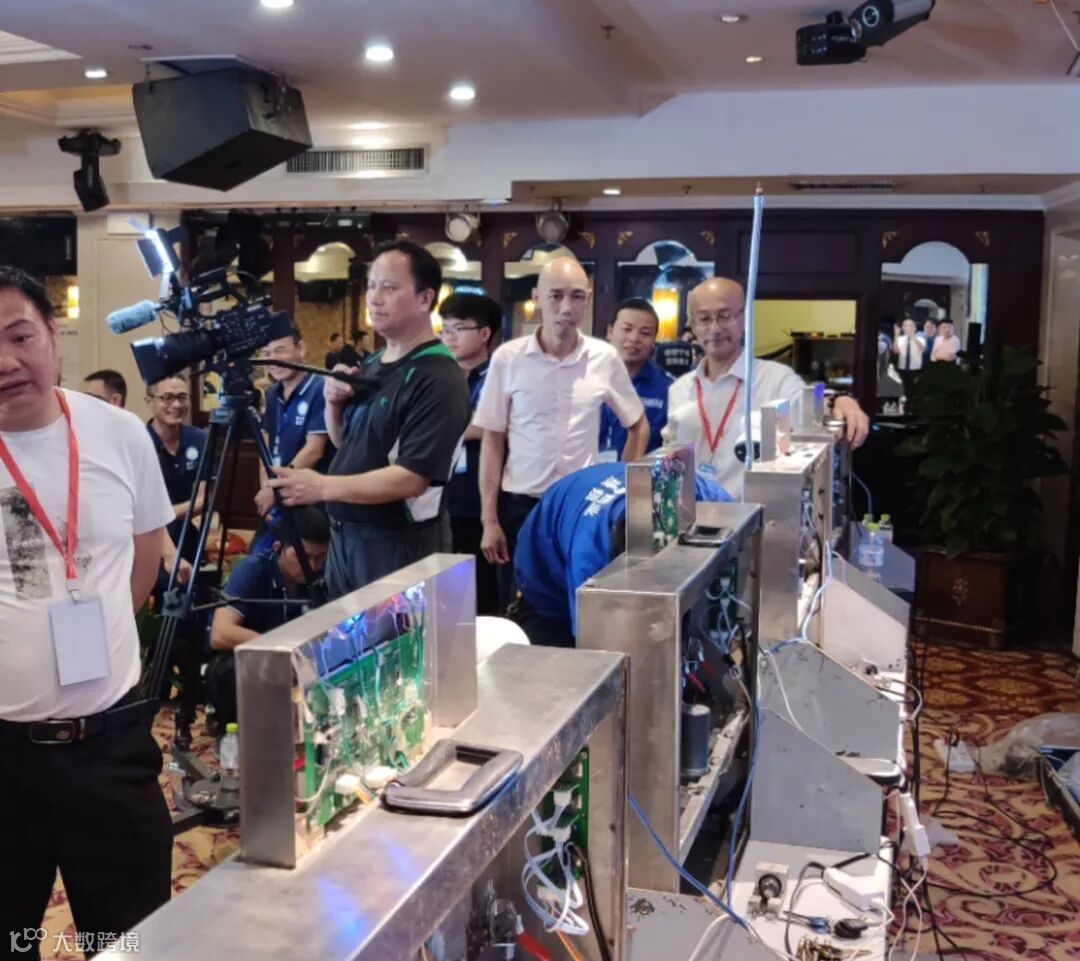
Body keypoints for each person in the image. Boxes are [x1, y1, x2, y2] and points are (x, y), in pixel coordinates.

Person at [0, 267, 175, 957]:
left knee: (128, 939)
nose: (5, 361)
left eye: (19, 337)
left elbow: (144, 560)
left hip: (109, 746)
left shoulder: (119, 432)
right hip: (2, 756)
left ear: (54, 336)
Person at [268, 241, 471, 597]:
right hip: (347, 535)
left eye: (389, 288)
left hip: (398, 542)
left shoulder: (439, 376)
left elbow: (411, 478)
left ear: (425, 299)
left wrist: (323, 487)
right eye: (372, 286)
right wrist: (332, 403)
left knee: (393, 633)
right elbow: (347, 443)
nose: (374, 298)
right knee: (345, 631)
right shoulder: (375, 362)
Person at [473, 257, 649, 611]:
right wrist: (489, 520)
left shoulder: (603, 357)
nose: (566, 308)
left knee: (580, 604)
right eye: (555, 296)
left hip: (580, 505)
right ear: (537, 297)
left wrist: (621, 487)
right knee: (520, 606)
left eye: (576, 296)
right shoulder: (508, 358)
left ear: (587, 300)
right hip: (520, 503)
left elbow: (638, 425)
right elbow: (492, 440)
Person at [664, 277, 870, 496]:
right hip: (694, 511)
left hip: (753, 512)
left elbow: (805, 403)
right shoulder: (679, 389)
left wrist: (840, 400)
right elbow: (672, 457)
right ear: (692, 325)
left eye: (724, 316)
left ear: (744, 317)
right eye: (704, 319)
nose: (714, 328)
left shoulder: (775, 378)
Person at [513, 463, 731, 648]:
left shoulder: (686, 491)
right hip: (546, 580)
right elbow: (597, 647)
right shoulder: (589, 561)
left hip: (585, 491)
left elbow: (734, 517)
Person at [205, 506, 329, 727]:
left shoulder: (318, 579)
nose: (311, 566)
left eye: (320, 558)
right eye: (303, 557)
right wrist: (280, 649)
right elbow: (220, 633)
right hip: (239, 663)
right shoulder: (253, 570)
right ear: (278, 547)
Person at [441, 291, 501, 615]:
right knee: (447, 601)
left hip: (483, 504)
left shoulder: (497, 374)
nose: (449, 337)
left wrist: (439, 426)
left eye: (459, 328)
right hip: (443, 501)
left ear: (484, 333)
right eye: (445, 329)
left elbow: (490, 427)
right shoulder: (442, 376)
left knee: (485, 600)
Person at [251, 328, 332, 555]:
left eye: (280, 350)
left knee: (299, 564)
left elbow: (314, 450)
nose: (273, 359)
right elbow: (265, 445)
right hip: (277, 499)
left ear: (301, 348)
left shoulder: (320, 388)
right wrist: (267, 489)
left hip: (310, 505)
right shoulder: (272, 392)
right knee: (260, 557)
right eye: (267, 353)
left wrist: (274, 490)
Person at [145, 375, 208, 564]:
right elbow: (143, 510)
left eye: (182, 397)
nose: (177, 404)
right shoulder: (140, 441)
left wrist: (162, 514)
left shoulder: (200, 439)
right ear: (149, 401)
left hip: (187, 534)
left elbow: (204, 500)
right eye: (167, 398)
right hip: (148, 539)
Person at [599, 298, 674, 456]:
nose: (634, 339)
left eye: (645, 333)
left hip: (643, 471)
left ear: (654, 340)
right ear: (610, 331)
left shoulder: (670, 390)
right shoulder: (586, 378)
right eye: (627, 329)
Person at [892, 317, 926, 401]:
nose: (907, 328)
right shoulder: (900, 339)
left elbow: (922, 348)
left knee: (914, 391)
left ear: (914, 328)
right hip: (902, 369)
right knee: (904, 390)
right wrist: (896, 334)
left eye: (909, 325)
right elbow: (895, 351)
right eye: (905, 326)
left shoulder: (921, 338)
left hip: (915, 369)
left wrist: (912, 336)